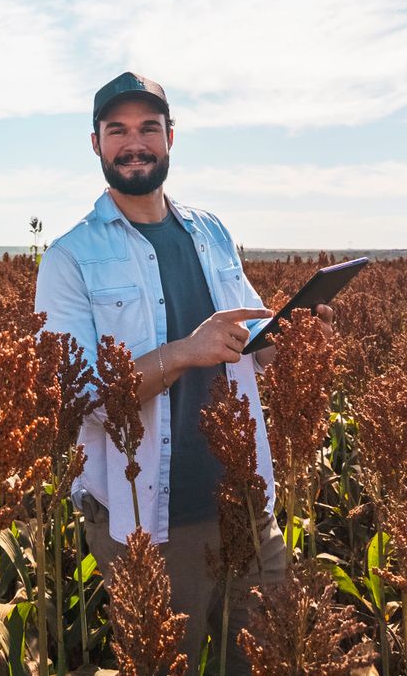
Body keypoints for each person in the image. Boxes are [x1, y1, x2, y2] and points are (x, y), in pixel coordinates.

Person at [34, 71, 333, 676]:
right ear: (95, 144)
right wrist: (182, 352)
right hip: (148, 523)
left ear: (171, 138)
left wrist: (297, 340)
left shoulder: (211, 231)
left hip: (246, 502)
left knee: (269, 662)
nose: (133, 142)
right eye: (116, 130)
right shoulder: (69, 259)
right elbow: (82, 396)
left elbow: (249, 347)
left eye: (148, 128)